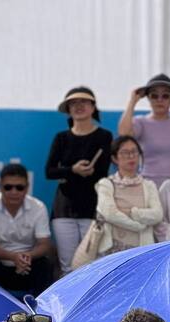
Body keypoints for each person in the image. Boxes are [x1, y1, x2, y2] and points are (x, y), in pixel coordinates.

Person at [47, 87, 114, 272]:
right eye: (73, 103)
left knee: (92, 265)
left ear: (93, 107)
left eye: (84, 102)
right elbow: (50, 172)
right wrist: (72, 170)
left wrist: (87, 172)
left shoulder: (104, 136)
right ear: (68, 110)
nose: (79, 106)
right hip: (64, 208)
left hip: (92, 207)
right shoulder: (61, 138)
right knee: (67, 266)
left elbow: (103, 172)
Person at [0, 164, 54, 296]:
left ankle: (41, 307)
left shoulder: (38, 207)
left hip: (28, 263)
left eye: (19, 187)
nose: (14, 192)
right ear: (0, 186)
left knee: (45, 265)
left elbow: (44, 244)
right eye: (8, 187)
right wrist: (13, 257)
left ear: (27, 187)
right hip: (0, 264)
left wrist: (27, 256)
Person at [94, 137, 164, 255]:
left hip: (142, 250)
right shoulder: (106, 184)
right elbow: (109, 214)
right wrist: (138, 226)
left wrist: (132, 212)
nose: (131, 156)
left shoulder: (149, 185)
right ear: (114, 158)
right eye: (125, 153)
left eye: (134, 152)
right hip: (112, 250)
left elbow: (157, 215)